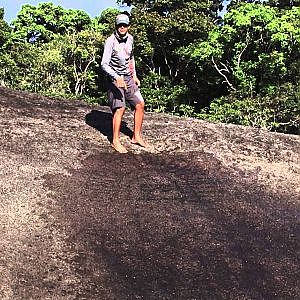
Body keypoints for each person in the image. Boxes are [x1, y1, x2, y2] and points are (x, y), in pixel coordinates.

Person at [101, 13, 149, 153]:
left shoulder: (131, 39)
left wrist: (134, 75)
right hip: (113, 77)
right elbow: (104, 64)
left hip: (128, 76)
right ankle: (115, 141)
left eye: (125, 25)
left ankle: (136, 136)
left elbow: (131, 57)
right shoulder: (110, 41)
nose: (122, 27)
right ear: (116, 26)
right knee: (120, 108)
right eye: (119, 25)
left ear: (128, 26)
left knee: (140, 104)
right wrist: (117, 77)